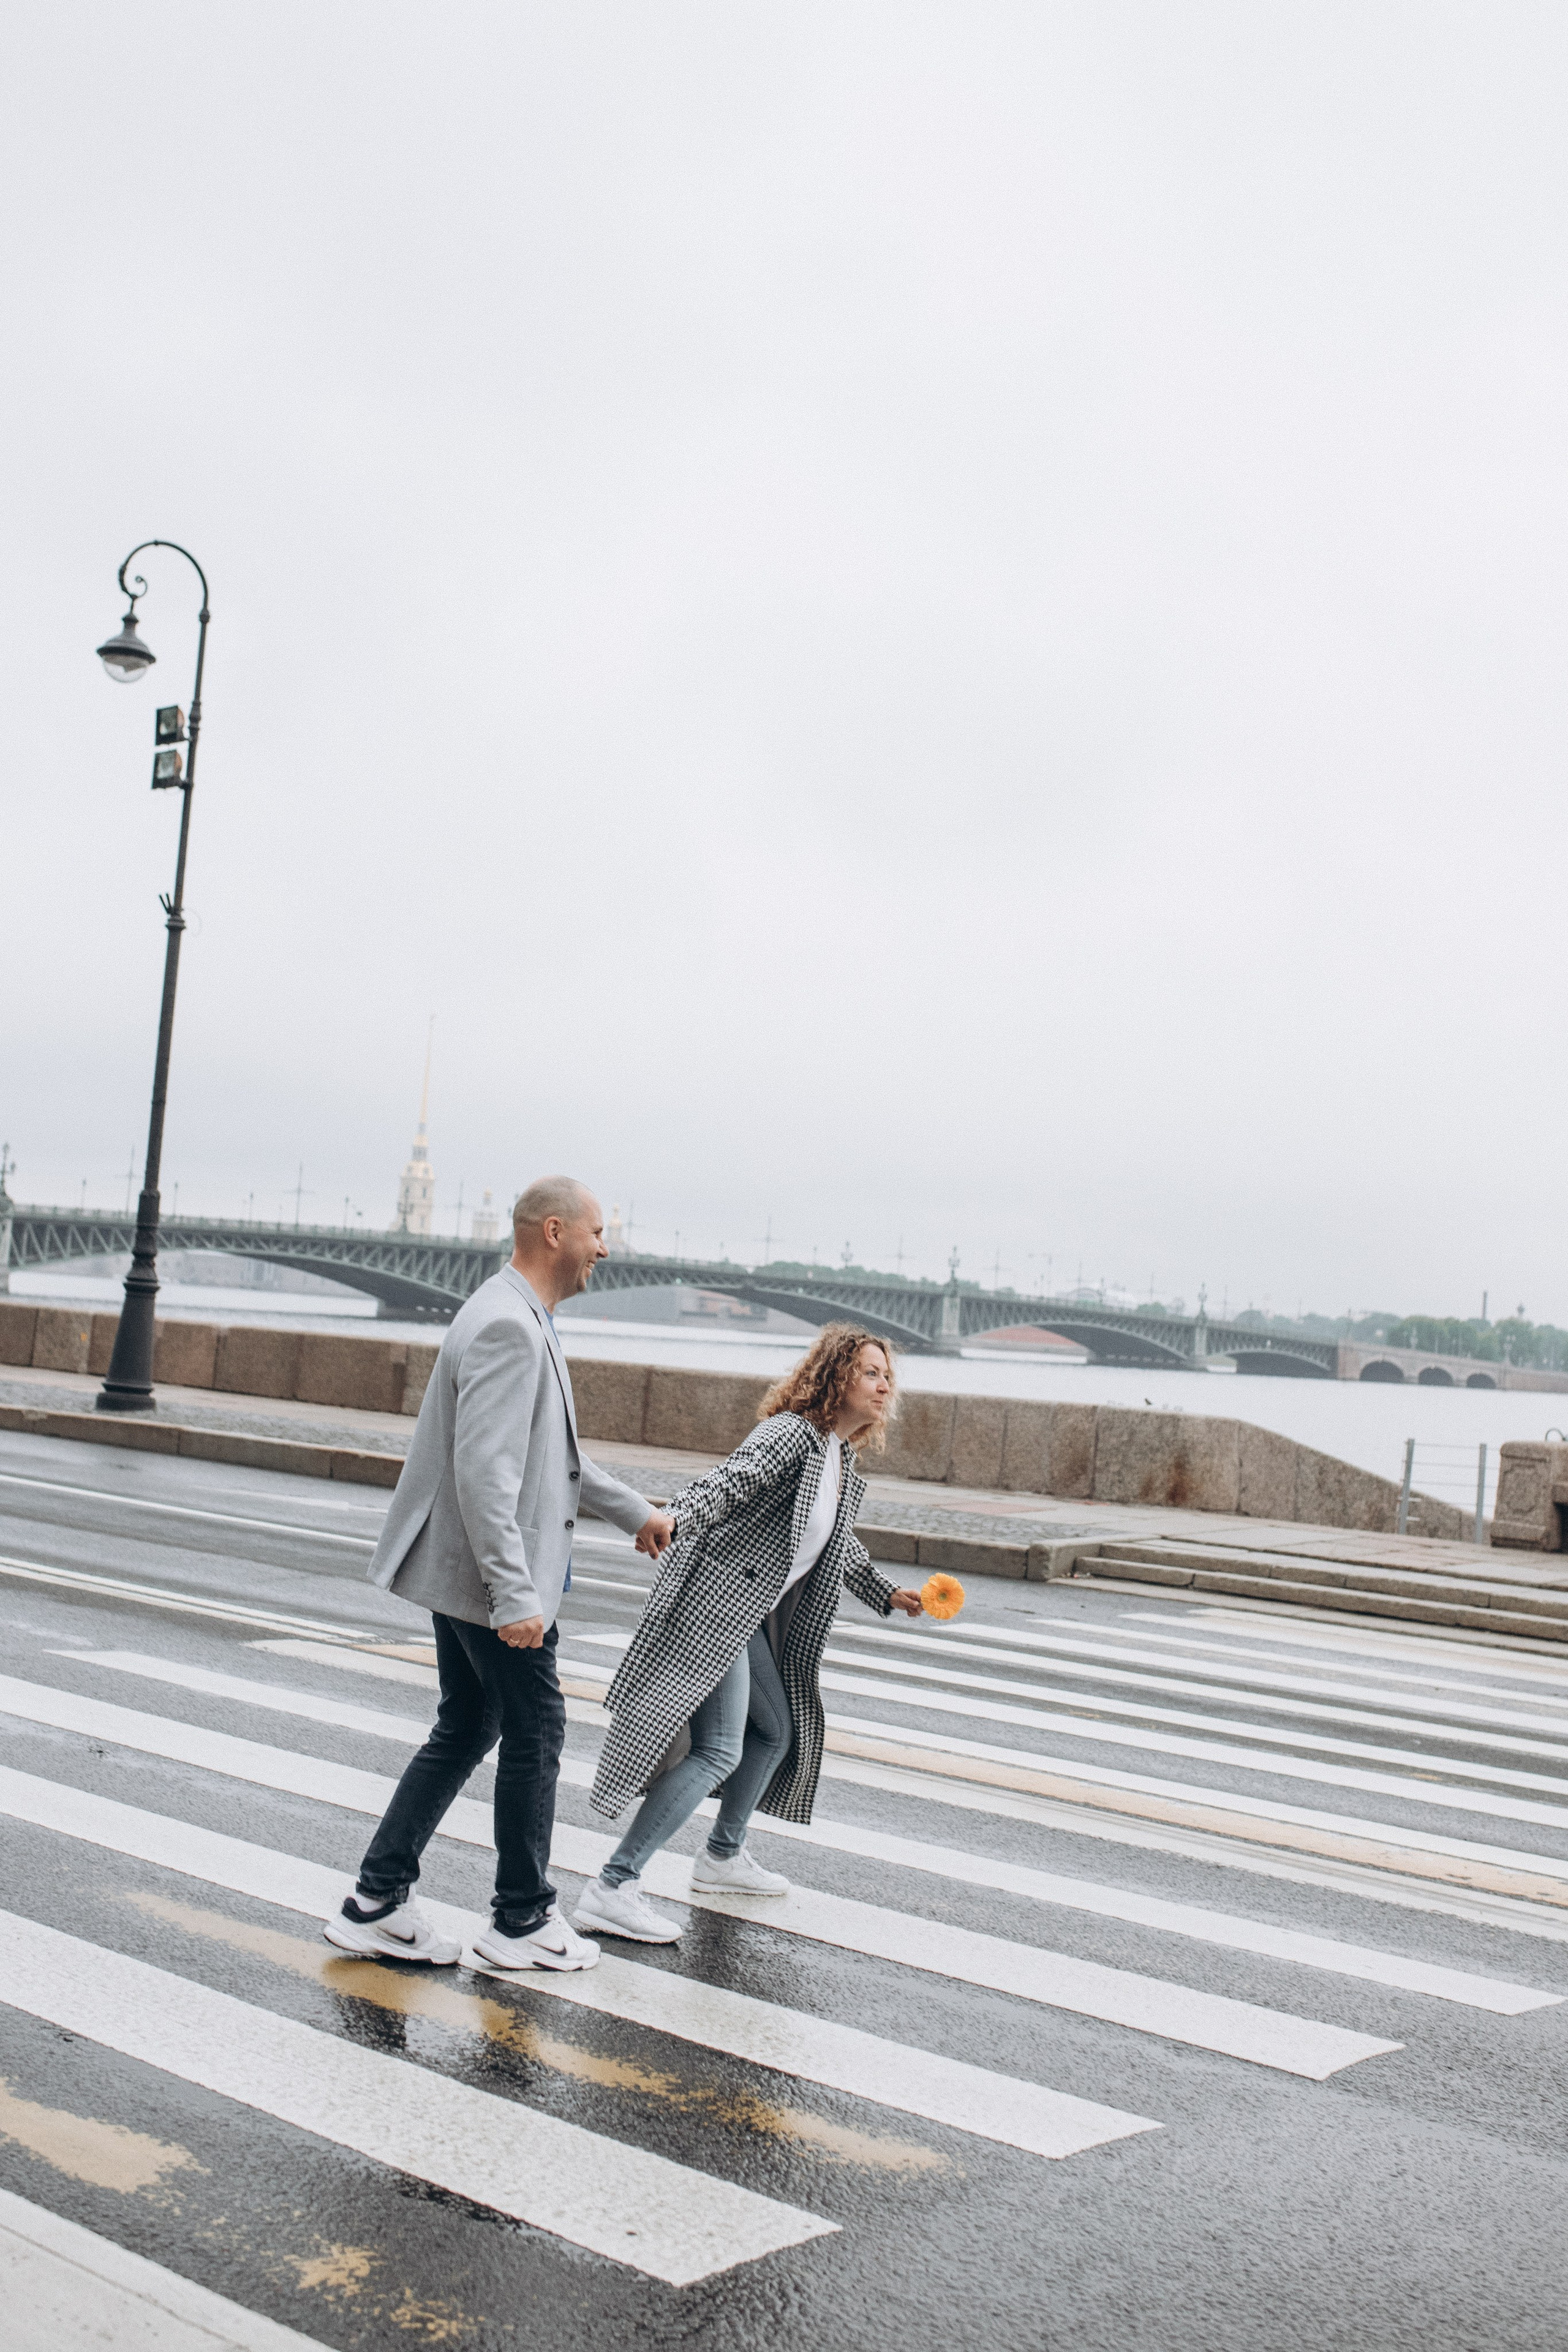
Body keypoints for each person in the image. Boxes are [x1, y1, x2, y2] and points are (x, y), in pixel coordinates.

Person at [322, 1177, 674, 1972]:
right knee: (535, 1730)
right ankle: (519, 1917)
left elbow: (553, 1459)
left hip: (468, 1573)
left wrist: (634, 1513)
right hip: (493, 1581)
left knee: (470, 1725)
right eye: (597, 1232)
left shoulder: (516, 1315)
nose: (605, 1248)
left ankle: (376, 1901)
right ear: (555, 1232)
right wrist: (517, 1596)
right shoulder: (509, 1327)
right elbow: (485, 1473)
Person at [577, 1325, 922, 1943]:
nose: (884, 1384)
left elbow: (835, 1542)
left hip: (745, 1617)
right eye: (870, 1372)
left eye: (887, 1375)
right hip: (715, 1605)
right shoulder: (792, 1434)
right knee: (718, 1750)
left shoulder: (836, 1454)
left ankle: (722, 1856)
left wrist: (886, 1592)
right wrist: (673, 1517)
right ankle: (612, 1885)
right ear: (835, 1376)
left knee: (773, 1730)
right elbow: (730, 1481)